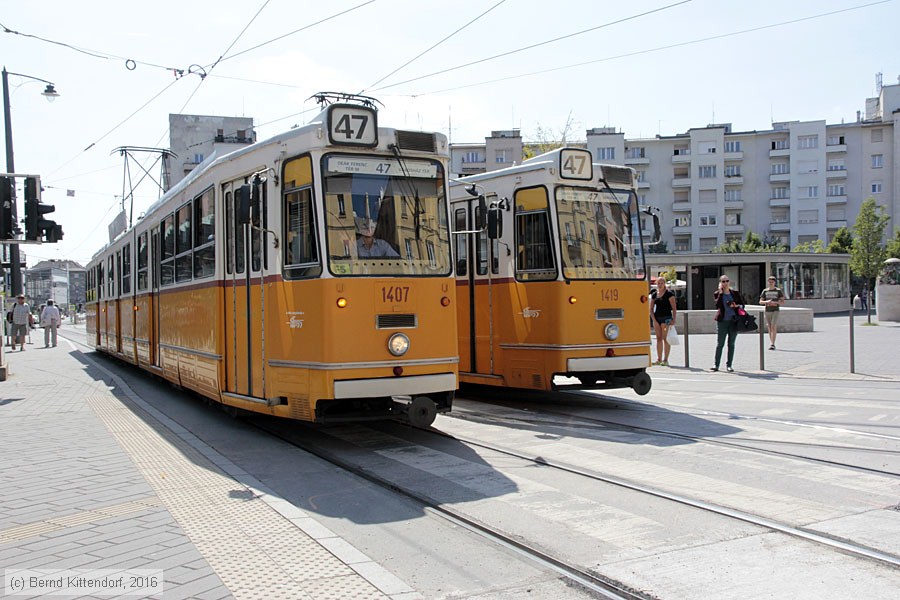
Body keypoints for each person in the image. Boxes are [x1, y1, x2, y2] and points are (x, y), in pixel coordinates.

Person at [712, 275, 746, 372]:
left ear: (729, 282)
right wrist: (721, 293)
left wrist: (736, 306)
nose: (725, 283)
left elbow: (743, 305)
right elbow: (717, 305)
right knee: (720, 343)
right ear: (720, 283)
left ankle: (729, 365)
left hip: (733, 321)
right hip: (722, 321)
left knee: (731, 343)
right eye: (723, 281)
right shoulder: (718, 294)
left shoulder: (734, 293)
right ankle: (716, 364)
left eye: (727, 281)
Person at [649, 277, 677, 366]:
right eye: (658, 283)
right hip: (657, 318)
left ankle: (665, 360)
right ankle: (659, 359)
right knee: (658, 339)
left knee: (665, 339)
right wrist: (654, 320)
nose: (660, 285)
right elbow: (651, 309)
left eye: (661, 283)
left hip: (666, 318)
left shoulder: (669, 294)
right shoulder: (654, 294)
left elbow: (674, 308)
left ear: (664, 283)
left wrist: (674, 319)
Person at [759, 275, 786, 350]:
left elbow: (782, 301)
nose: (771, 283)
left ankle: (773, 343)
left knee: (773, 325)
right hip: (767, 310)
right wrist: (767, 302)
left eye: (772, 282)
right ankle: (771, 342)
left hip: (775, 309)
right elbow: (760, 301)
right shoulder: (765, 291)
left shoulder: (778, 291)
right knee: (769, 326)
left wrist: (776, 302)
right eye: (769, 282)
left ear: (775, 282)